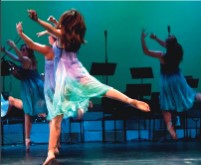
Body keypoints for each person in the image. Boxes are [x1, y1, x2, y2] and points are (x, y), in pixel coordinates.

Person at [28, 9, 150, 164]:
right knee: (103, 89)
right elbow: (56, 29)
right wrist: (52, 24)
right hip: (78, 73)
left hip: (64, 79)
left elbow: (54, 30)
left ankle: (51, 151)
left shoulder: (61, 36)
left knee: (56, 119)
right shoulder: (76, 38)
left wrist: (38, 20)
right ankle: (130, 100)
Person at [141, 29, 201, 139]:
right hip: (178, 79)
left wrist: (142, 38)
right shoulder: (178, 51)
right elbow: (167, 45)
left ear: (168, 45)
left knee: (165, 106)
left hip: (167, 82)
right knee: (191, 94)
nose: (169, 35)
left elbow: (146, 51)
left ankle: (170, 128)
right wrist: (156, 38)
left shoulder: (162, 55)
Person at [1, 40, 47, 151]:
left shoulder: (28, 60)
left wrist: (13, 46)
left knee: (32, 111)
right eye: (21, 50)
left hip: (34, 87)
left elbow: (20, 58)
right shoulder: (24, 60)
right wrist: (5, 51)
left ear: (29, 51)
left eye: (24, 50)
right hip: (28, 87)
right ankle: (27, 139)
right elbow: (17, 58)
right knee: (27, 112)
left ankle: (29, 137)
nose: (22, 51)